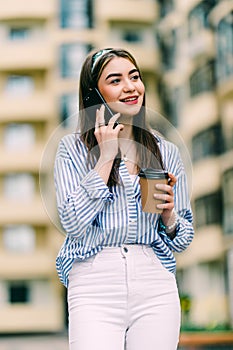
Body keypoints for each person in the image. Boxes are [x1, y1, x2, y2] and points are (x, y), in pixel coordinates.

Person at [54, 48, 194, 350]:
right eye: (115, 80)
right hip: (94, 281)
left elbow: (183, 239)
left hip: (154, 281)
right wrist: (105, 159)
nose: (130, 87)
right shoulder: (72, 150)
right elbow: (73, 223)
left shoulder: (165, 151)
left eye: (134, 77)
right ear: (95, 93)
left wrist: (169, 217)